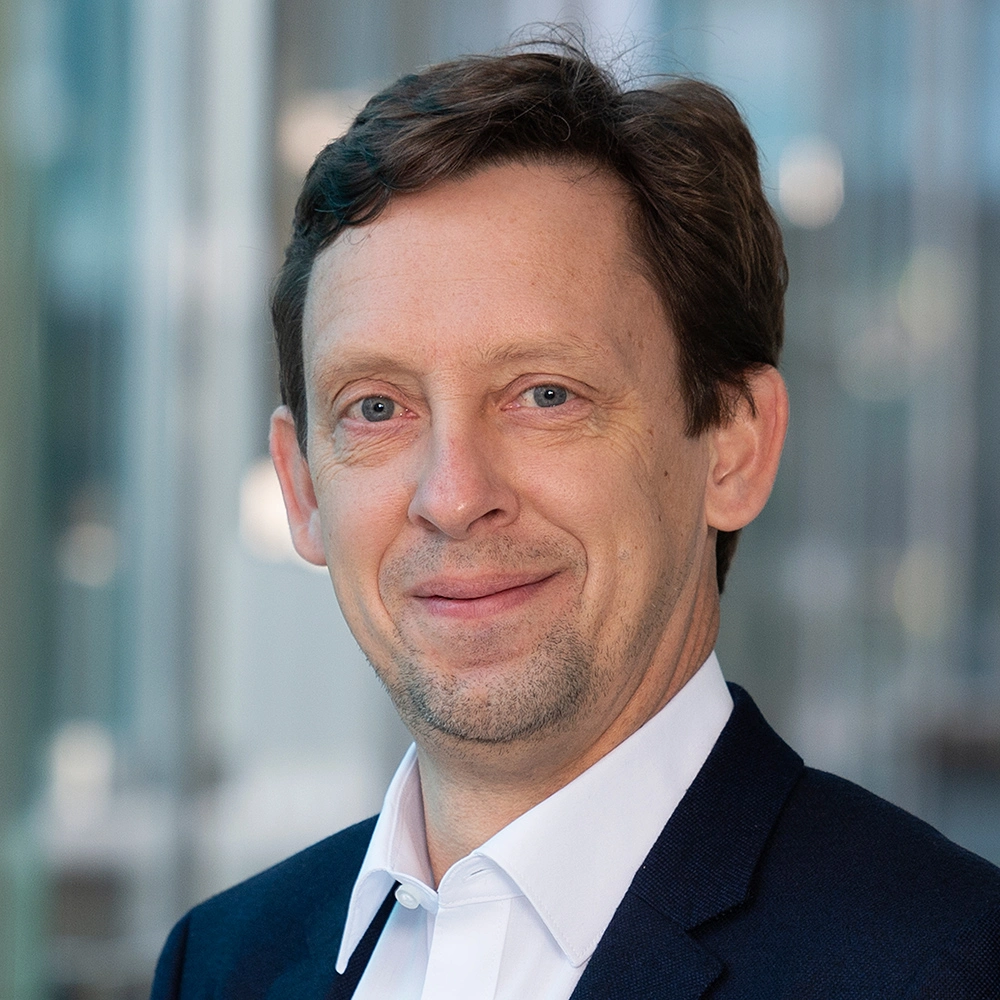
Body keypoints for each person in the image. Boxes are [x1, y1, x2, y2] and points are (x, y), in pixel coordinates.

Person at [151, 43, 1000, 999]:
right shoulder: (218, 964)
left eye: (545, 394)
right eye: (377, 408)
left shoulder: (951, 966)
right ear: (303, 487)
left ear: (734, 449)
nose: (453, 495)